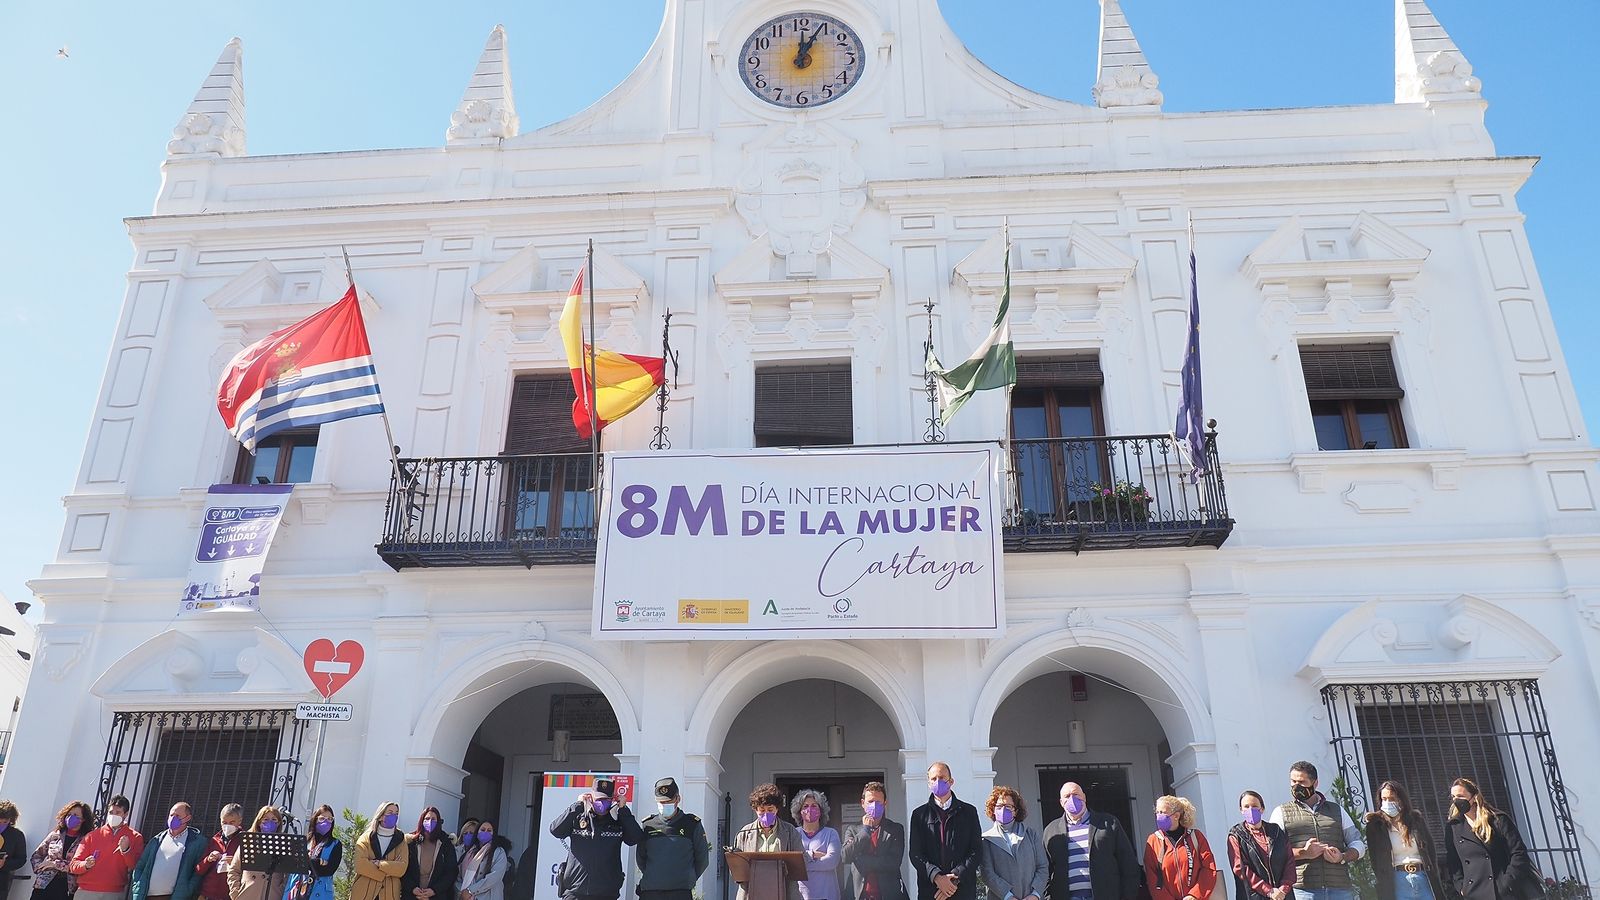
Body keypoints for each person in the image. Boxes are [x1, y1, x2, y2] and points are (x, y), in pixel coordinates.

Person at [1267, 762, 1363, 900]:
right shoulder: (1280, 812)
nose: (1296, 786)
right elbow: (1272, 852)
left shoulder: (1337, 810)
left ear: (1315, 783)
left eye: (1302, 782)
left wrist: (1342, 857)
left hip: (1340, 889)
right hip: (1302, 890)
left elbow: (1358, 844)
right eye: (1293, 781)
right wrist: (1304, 853)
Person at [1441, 778, 1538, 900]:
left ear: (1474, 797)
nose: (1456, 800)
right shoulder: (1454, 827)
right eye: (1453, 797)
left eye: (1460, 796)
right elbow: (1453, 861)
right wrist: (1462, 887)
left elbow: (1519, 853)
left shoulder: (1498, 820)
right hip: (1473, 893)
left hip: (1502, 891)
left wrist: (1506, 883)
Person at [1041, 781, 1139, 900]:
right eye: (1067, 796)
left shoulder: (1109, 823)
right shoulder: (1051, 831)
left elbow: (1128, 864)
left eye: (1076, 794)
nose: (1072, 799)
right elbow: (1044, 870)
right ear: (1061, 802)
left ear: (1084, 797)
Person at [550, 778, 642, 900]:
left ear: (612, 800)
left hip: (606, 894)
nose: (602, 803)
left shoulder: (618, 821)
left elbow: (635, 838)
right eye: (598, 799)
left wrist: (624, 810)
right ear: (591, 797)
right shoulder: (578, 816)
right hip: (575, 892)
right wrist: (577, 806)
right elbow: (556, 831)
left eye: (606, 800)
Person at [908, 762, 981, 900]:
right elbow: (916, 854)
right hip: (931, 892)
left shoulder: (969, 812)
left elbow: (976, 851)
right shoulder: (919, 815)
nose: (937, 781)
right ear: (929, 783)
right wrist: (937, 877)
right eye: (933, 779)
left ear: (951, 781)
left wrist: (954, 879)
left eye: (942, 778)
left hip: (962, 891)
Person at [1363, 782, 1443, 900]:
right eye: (1384, 799)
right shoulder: (1375, 825)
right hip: (1397, 879)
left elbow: (1430, 851)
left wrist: (1434, 873)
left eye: (1392, 798)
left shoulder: (1416, 820)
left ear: (1401, 799)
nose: (1387, 802)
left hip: (1423, 877)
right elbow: (1375, 858)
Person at [636, 778, 709, 900]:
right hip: (651, 892)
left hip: (681, 892)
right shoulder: (648, 825)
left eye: (668, 801)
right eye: (661, 802)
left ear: (678, 799)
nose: (664, 805)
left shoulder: (692, 824)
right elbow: (641, 858)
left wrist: (687, 878)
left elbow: (702, 859)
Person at [732, 783, 803, 900]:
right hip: (752, 892)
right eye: (762, 810)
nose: (766, 814)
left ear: (777, 809)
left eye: (770, 810)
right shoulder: (744, 833)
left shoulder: (790, 832)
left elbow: (801, 862)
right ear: (755, 809)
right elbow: (737, 870)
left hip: (783, 892)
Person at [841, 782, 908, 900]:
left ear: (885, 803)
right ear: (863, 803)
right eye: (870, 801)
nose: (874, 805)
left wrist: (862, 861)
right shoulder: (853, 829)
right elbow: (845, 856)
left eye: (878, 802)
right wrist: (865, 831)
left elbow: (893, 862)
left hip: (888, 895)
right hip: (859, 895)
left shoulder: (895, 829)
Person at [70, 795, 144, 900]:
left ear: (126, 814)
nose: (113, 815)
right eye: (111, 812)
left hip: (114, 893)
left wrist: (126, 850)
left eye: (118, 812)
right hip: (86, 892)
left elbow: (135, 866)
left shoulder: (135, 837)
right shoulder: (92, 836)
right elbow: (73, 865)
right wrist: (85, 865)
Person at [1142, 796, 1217, 900]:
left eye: (1162, 812)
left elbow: (1209, 868)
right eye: (1157, 812)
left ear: (1176, 816)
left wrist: (1194, 895)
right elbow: (1152, 877)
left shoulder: (1196, 837)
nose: (1159, 816)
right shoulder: (1153, 840)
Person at [978, 787, 1046, 900]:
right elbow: (987, 873)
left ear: (1016, 811)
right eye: (999, 806)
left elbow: (1042, 866)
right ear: (993, 810)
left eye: (1008, 806)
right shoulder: (987, 840)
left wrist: (1035, 894)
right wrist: (1008, 896)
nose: (1003, 810)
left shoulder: (1030, 835)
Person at [1226, 791, 1294, 900]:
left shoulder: (1276, 831)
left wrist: (1284, 888)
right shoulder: (1236, 835)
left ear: (1262, 808)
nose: (1250, 810)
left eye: (1254, 806)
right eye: (1246, 807)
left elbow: (1289, 860)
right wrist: (1268, 891)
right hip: (1254, 896)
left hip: (1283, 895)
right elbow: (1240, 869)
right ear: (1241, 810)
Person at [132, 802, 205, 900]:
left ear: (187, 818)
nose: (173, 818)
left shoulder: (197, 842)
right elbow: (140, 866)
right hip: (147, 896)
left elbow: (199, 871)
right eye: (171, 815)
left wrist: (188, 890)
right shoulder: (156, 840)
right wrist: (137, 885)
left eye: (177, 816)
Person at [30, 800, 91, 900]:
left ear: (83, 819)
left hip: (66, 887)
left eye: (76, 815)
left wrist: (56, 864)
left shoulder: (86, 840)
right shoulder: (55, 835)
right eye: (69, 814)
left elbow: (80, 865)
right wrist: (40, 869)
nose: (71, 817)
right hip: (44, 884)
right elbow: (36, 855)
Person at [225, 806, 287, 900]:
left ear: (278, 823)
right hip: (247, 893)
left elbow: (288, 873)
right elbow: (234, 869)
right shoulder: (248, 841)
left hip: (273, 894)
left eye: (274, 820)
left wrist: (282, 890)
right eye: (265, 819)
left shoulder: (284, 844)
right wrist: (235, 892)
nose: (270, 822)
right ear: (259, 822)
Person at [351, 802, 410, 900]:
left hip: (389, 894)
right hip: (364, 893)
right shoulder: (366, 838)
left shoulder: (400, 839)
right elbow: (360, 865)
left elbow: (401, 868)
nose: (394, 816)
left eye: (396, 813)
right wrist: (389, 869)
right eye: (390, 812)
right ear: (380, 816)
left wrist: (379, 864)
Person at [286, 805, 344, 900]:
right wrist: (319, 861)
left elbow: (329, 870)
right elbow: (296, 865)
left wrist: (308, 861)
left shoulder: (335, 844)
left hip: (320, 892)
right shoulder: (305, 841)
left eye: (330, 819)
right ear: (315, 820)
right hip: (298, 889)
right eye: (322, 819)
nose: (326, 822)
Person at [792, 790, 841, 900]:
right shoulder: (793, 833)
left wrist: (801, 863)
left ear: (821, 811)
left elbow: (832, 862)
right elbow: (791, 864)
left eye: (814, 806)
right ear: (799, 811)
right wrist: (812, 855)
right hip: (801, 896)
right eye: (805, 806)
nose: (809, 809)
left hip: (827, 895)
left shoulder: (831, 833)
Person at [401, 807, 455, 900]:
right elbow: (403, 869)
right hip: (412, 895)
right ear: (421, 821)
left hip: (437, 896)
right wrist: (413, 888)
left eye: (433, 819)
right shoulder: (411, 842)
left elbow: (451, 872)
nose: (430, 822)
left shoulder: (446, 843)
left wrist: (434, 890)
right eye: (427, 819)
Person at [195, 804, 243, 900]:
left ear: (240, 821)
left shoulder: (244, 840)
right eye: (224, 822)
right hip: (209, 894)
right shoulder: (215, 840)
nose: (227, 826)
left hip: (231, 894)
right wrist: (208, 859)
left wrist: (235, 863)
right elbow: (199, 870)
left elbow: (250, 871)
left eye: (232, 822)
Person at [456, 820, 509, 900]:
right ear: (477, 833)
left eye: (489, 830)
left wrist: (470, 891)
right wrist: (462, 892)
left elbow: (494, 877)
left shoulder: (499, 852)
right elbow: (459, 876)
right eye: (483, 830)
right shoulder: (469, 852)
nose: (485, 832)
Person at [0, 801, 29, 900]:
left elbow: (21, 859)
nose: (1, 824)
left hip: (1, 881)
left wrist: (4, 864)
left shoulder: (17, 835)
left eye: (5, 822)